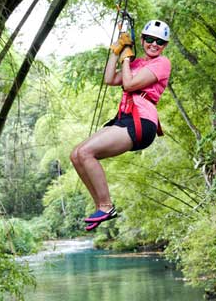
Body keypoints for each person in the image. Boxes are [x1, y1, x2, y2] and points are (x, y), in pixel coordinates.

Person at [70, 20, 172, 231]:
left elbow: (130, 84)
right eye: (150, 40)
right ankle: (101, 206)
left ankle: (107, 206)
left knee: (87, 152)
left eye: (160, 42)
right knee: (76, 154)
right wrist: (116, 51)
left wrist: (126, 60)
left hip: (142, 121)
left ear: (164, 46)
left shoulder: (162, 63)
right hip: (124, 117)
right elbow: (109, 79)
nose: (154, 44)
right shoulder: (136, 64)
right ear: (142, 40)